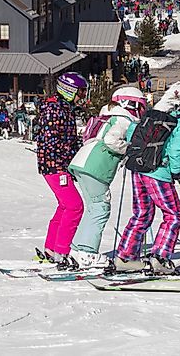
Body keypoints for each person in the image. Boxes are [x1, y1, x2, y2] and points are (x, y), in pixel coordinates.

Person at [115, 90, 180, 275]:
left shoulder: (165, 116)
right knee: (173, 214)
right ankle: (160, 257)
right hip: (158, 172)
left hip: (139, 169)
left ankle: (125, 256)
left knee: (142, 213)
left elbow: (133, 131)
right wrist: (176, 171)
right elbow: (177, 148)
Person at [68, 86, 146, 269]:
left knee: (93, 208)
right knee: (101, 209)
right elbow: (111, 141)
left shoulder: (107, 117)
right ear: (130, 104)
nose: (142, 111)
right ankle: (87, 252)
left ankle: (77, 250)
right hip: (96, 166)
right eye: (141, 107)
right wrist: (130, 149)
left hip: (83, 162)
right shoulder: (123, 119)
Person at [36, 72, 87, 264]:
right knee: (75, 207)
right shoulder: (53, 108)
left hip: (59, 165)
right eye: (81, 92)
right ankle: (62, 251)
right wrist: (62, 165)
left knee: (65, 206)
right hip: (55, 166)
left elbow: (69, 140)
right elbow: (50, 141)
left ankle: (51, 247)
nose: (82, 97)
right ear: (70, 90)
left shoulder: (64, 108)